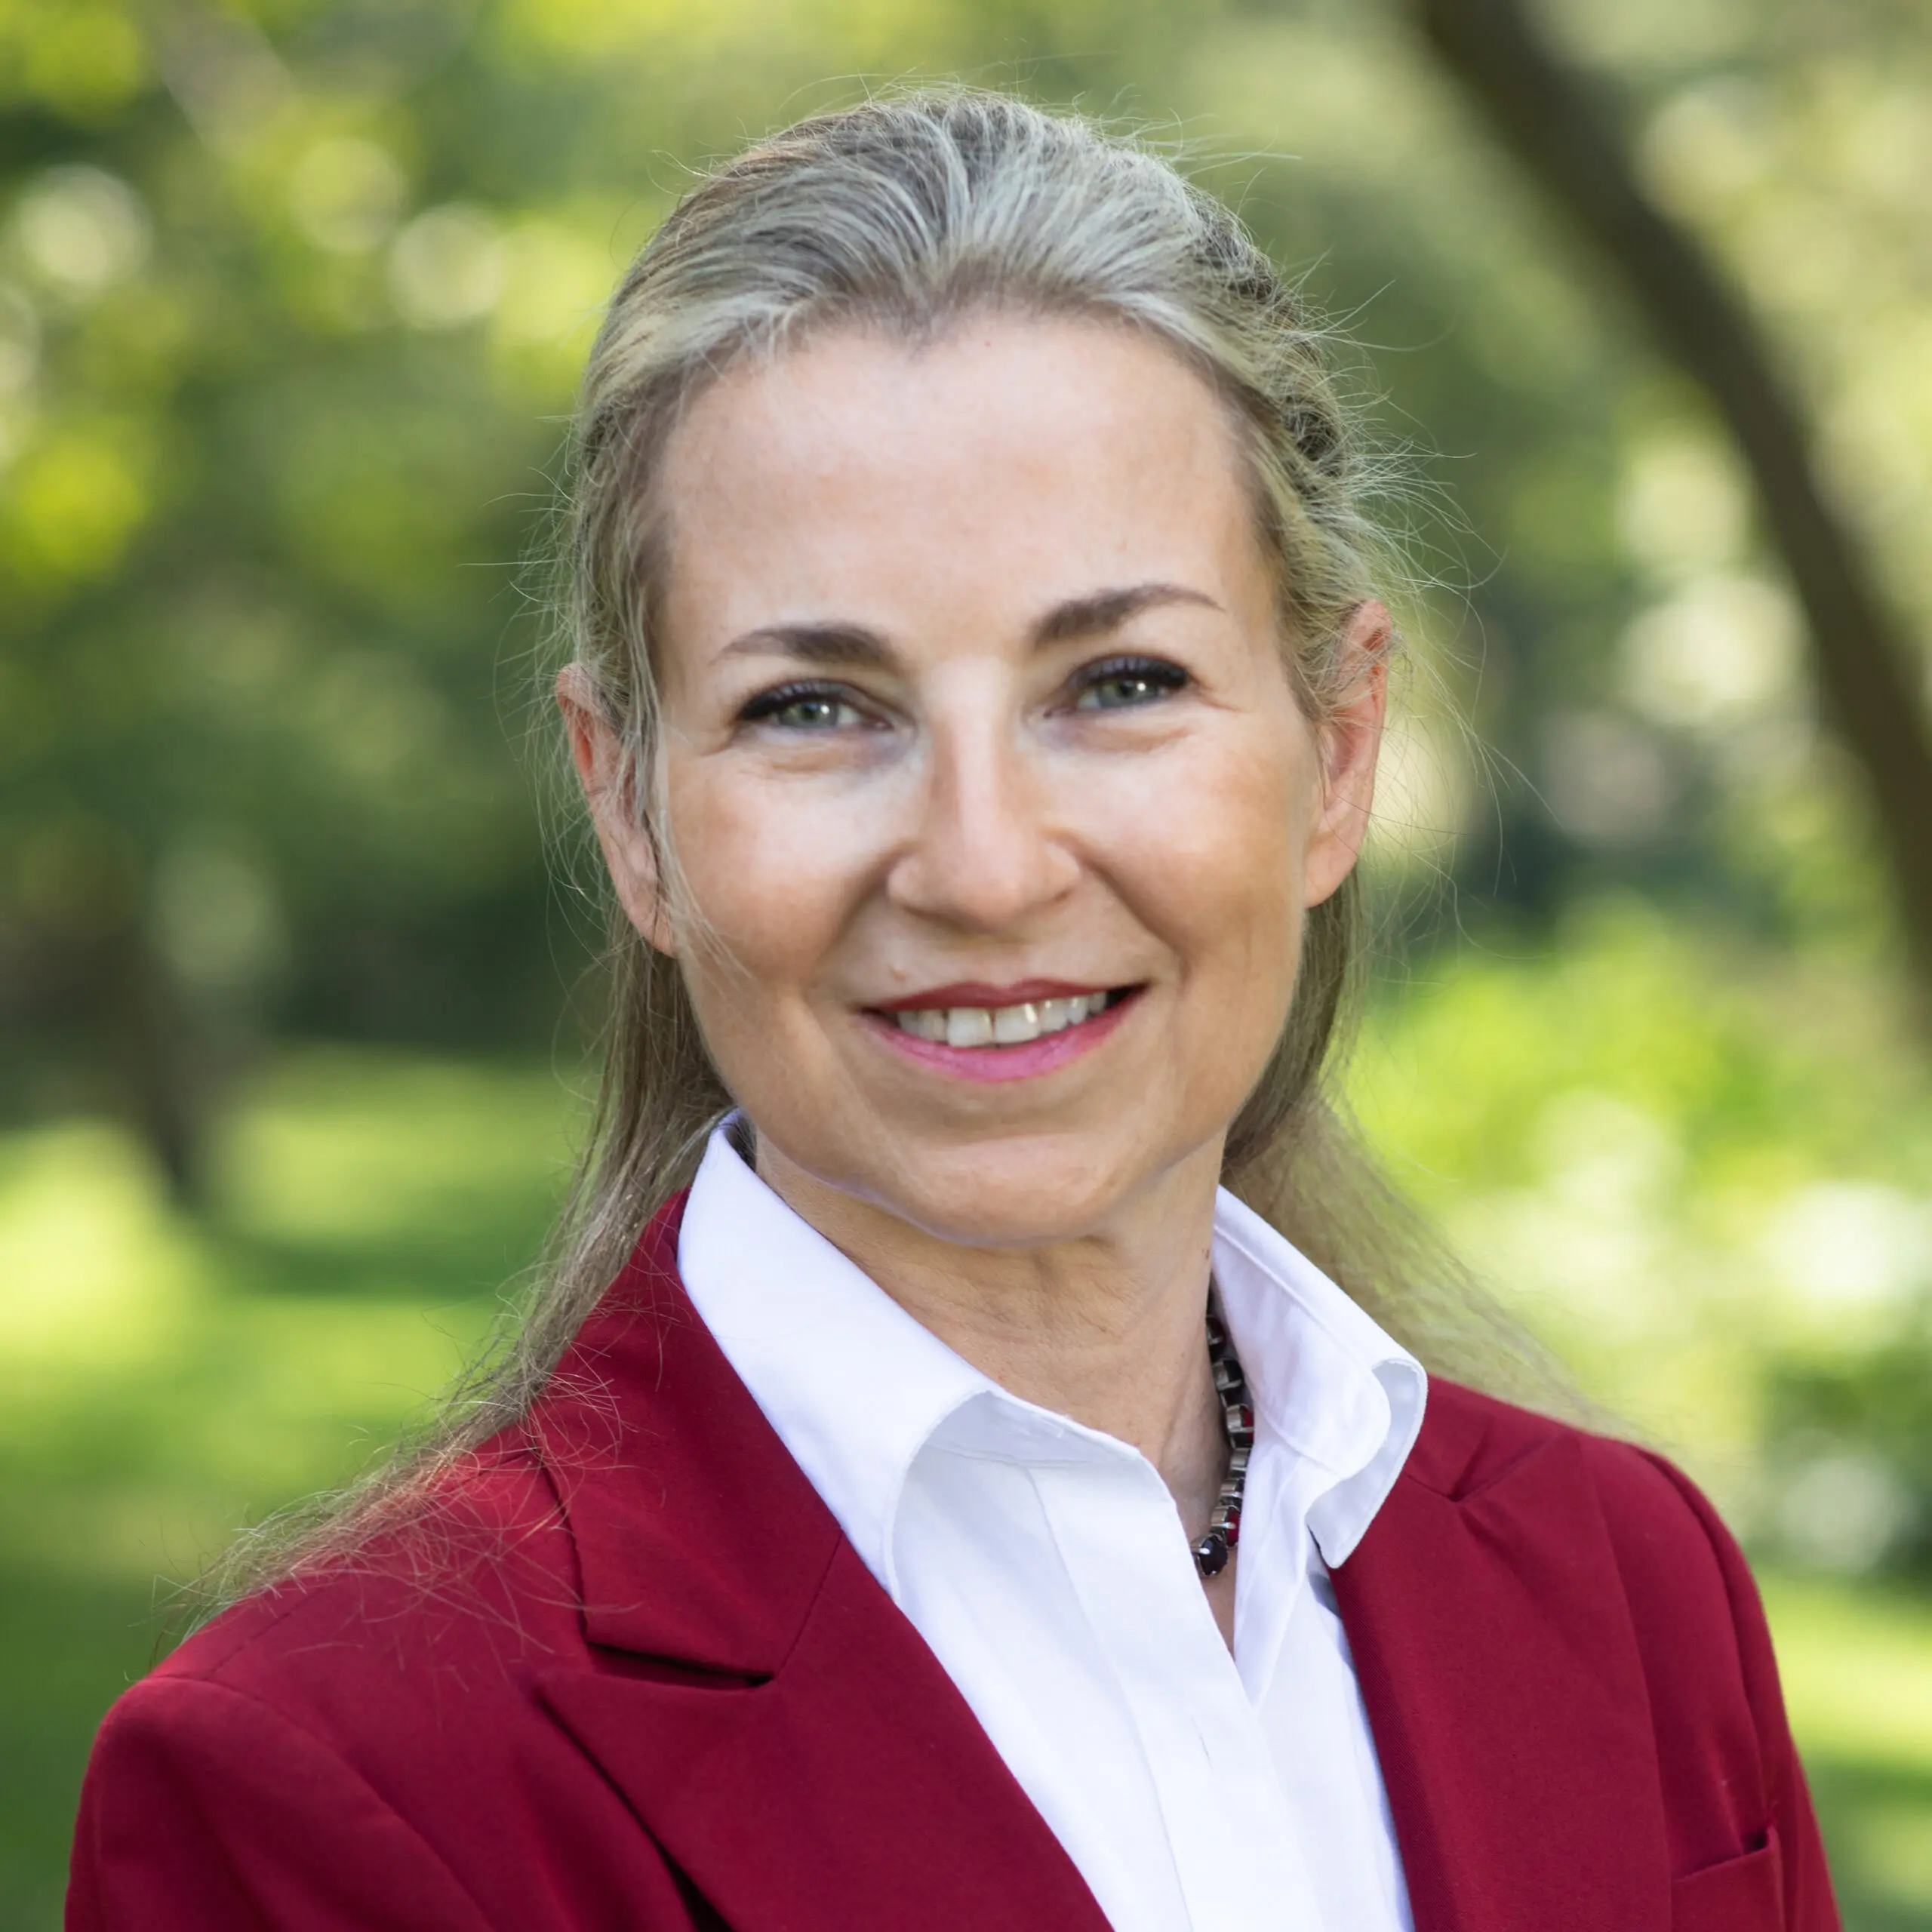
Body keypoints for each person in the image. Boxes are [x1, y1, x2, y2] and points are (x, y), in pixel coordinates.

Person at [67, 91, 1837, 1932]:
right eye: (814, 708)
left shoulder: (1629, 1588)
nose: (983, 867)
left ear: (1335, 751)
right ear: (632, 812)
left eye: (1120, 680)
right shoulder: (324, 1782)